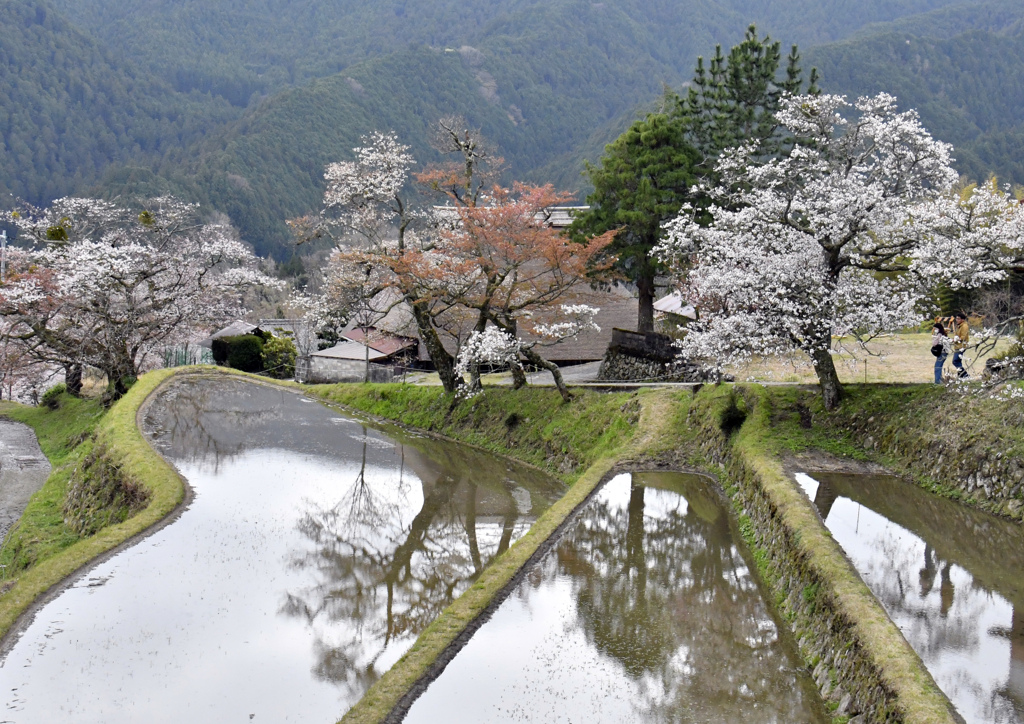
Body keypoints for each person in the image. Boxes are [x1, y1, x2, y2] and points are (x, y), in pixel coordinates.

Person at [951, 312, 970, 379]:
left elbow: (963, 337)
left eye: (958, 319)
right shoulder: (959, 326)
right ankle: (961, 376)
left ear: (963, 320)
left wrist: (955, 339)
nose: (957, 320)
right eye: (956, 318)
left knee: (955, 361)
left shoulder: (964, 326)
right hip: (958, 345)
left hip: (961, 346)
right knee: (958, 361)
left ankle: (965, 375)